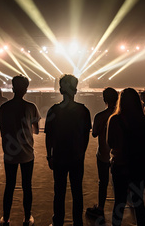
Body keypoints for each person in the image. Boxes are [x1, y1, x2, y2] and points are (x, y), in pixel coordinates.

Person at [44, 74, 91, 226]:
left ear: (60, 90)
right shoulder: (83, 111)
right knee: (77, 191)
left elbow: (49, 136)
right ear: (76, 90)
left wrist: (49, 156)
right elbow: (85, 136)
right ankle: (78, 222)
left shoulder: (53, 110)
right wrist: (81, 152)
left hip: (58, 156)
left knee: (59, 191)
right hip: (77, 156)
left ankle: (58, 220)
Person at [0, 75, 41, 226]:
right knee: (27, 186)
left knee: (9, 186)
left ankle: (6, 218)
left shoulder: (4, 107)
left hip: (9, 153)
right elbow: (36, 130)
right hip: (27, 153)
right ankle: (27, 218)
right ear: (26, 89)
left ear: (12, 88)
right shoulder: (31, 107)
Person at [108, 88, 145, 226]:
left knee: (119, 202)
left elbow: (110, 143)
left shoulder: (115, 119)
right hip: (139, 164)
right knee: (138, 201)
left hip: (120, 164)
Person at [85, 87, 118, 219]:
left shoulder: (100, 116)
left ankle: (100, 208)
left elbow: (94, 134)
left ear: (104, 99)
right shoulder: (122, 116)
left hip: (103, 153)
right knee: (118, 183)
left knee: (103, 182)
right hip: (119, 154)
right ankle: (118, 211)